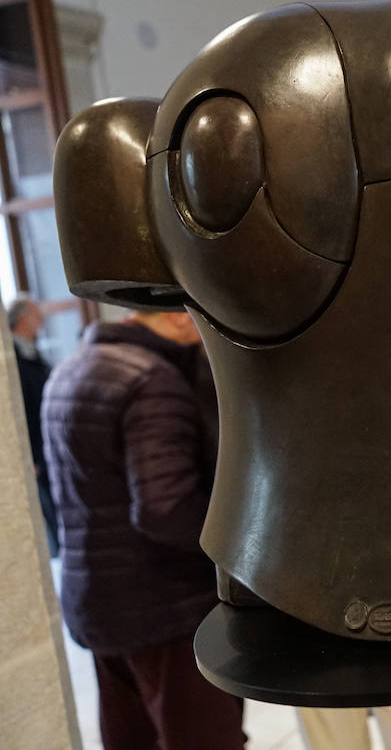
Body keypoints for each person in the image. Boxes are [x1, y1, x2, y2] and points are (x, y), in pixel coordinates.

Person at [43, 310, 245, 750]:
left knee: (129, 739)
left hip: (97, 601)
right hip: (162, 605)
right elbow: (164, 509)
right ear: (177, 317)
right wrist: (239, 548)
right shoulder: (151, 380)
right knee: (205, 740)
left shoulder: (72, 368)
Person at [8, 295, 57, 556]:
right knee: (48, 513)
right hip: (37, 452)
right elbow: (21, 411)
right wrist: (31, 456)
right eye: (38, 316)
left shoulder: (32, 353)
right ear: (24, 319)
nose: (42, 321)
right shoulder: (12, 360)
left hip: (47, 445)